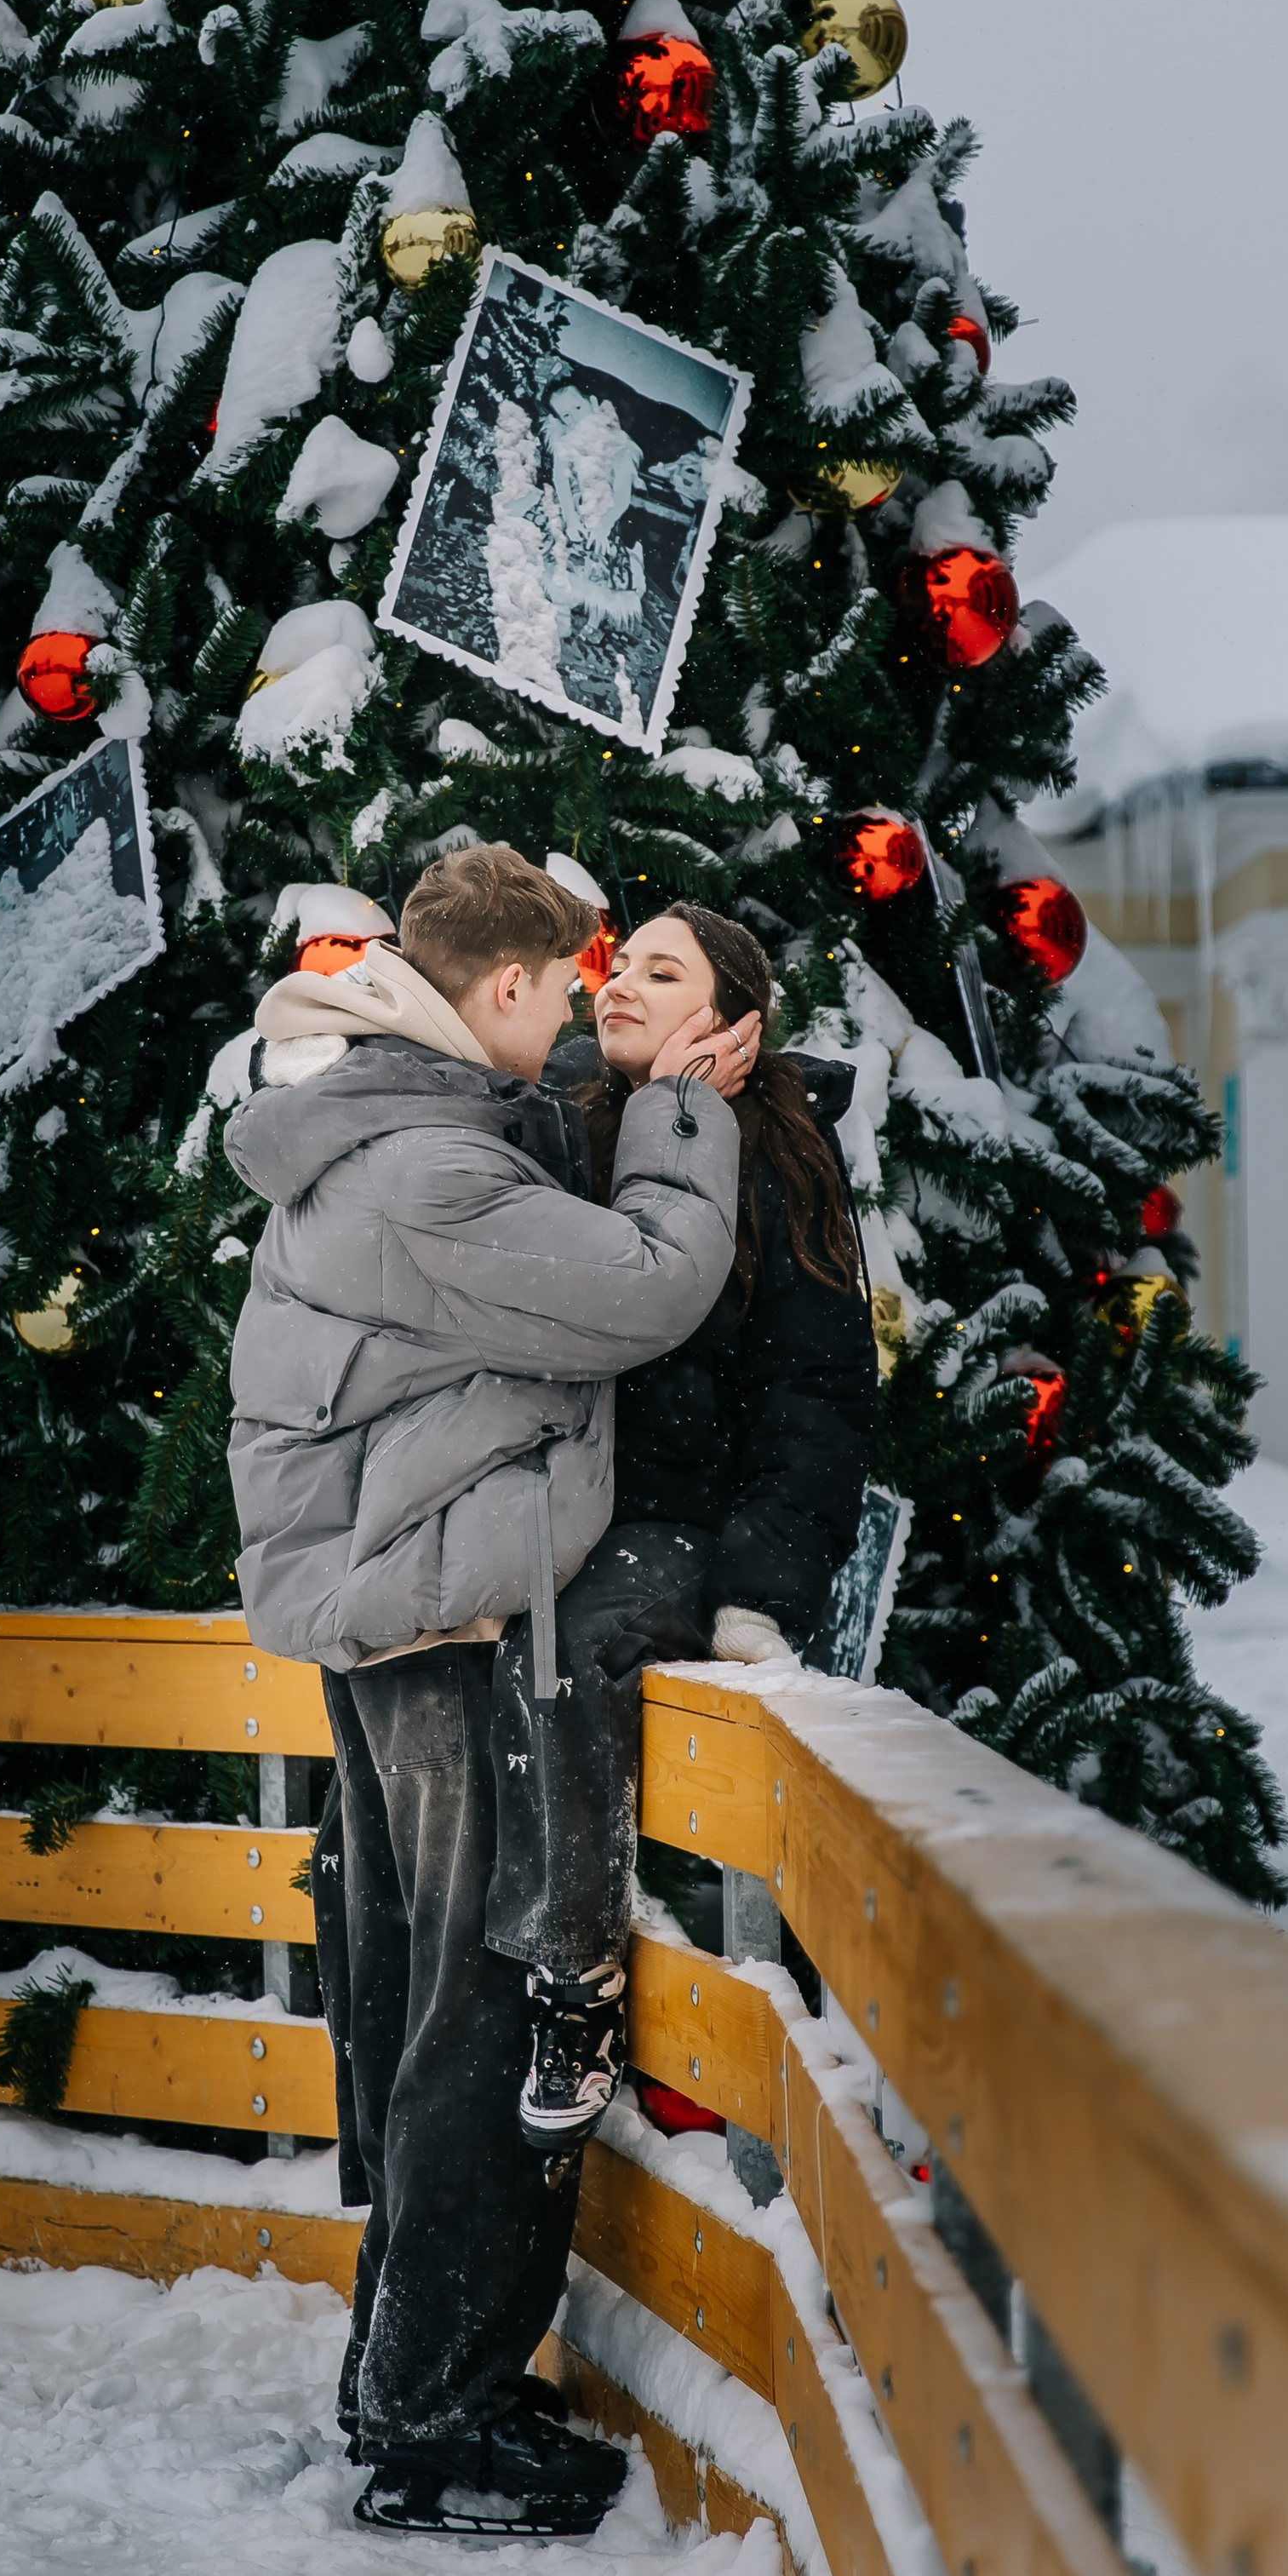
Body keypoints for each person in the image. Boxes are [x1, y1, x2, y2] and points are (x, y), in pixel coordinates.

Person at [223, 844, 757, 2534]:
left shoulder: (388, 1129)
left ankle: (401, 2383)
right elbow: (642, 1287)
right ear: (506, 993)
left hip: (403, 1611)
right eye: (569, 990)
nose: (587, 1012)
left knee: (410, 1996)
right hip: (446, 1619)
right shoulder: (426, 1172)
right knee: (472, 2008)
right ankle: (438, 2415)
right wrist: (676, 1110)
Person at [487, 901, 879, 2152]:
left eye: (665, 972)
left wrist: (760, 1586)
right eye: (619, 968)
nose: (622, 988)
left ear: (737, 1023)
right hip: (554, 1506)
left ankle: (574, 1989)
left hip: (679, 1528)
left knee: (562, 1649)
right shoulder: (557, 1132)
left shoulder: (785, 1164)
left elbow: (815, 1398)